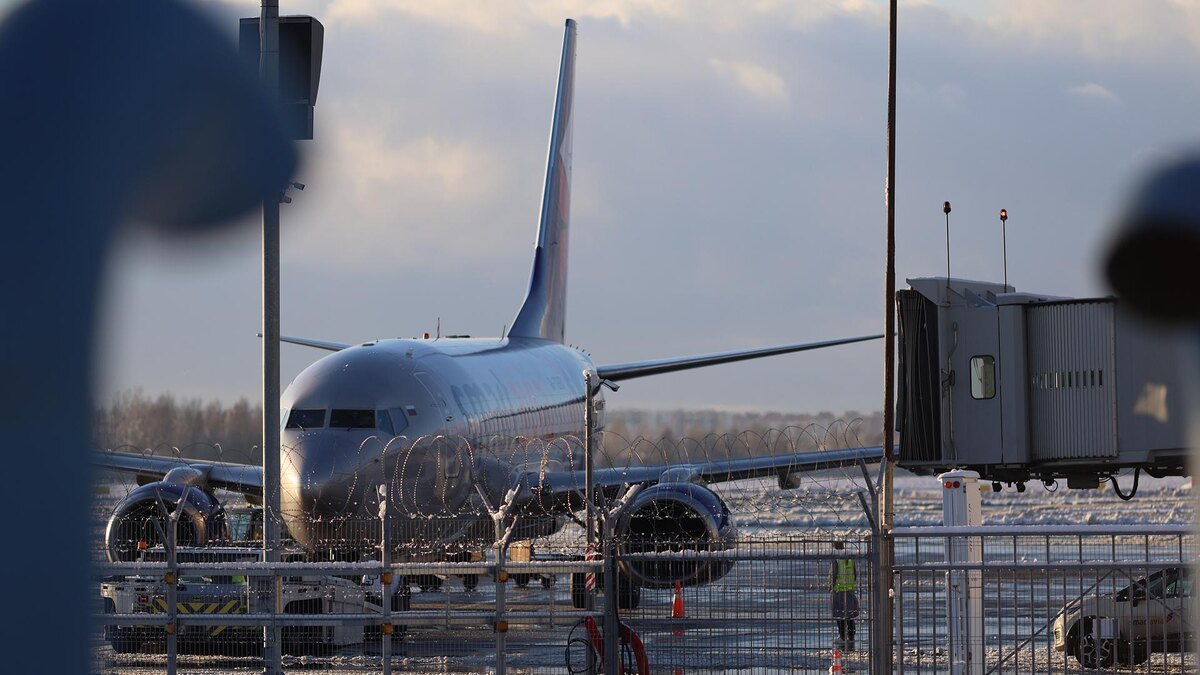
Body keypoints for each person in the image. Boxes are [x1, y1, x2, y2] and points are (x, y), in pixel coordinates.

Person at [830, 541, 858, 649]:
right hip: (850, 589)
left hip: (838, 589)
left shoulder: (835, 559)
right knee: (850, 615)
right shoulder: (850, 559)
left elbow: (833, 574)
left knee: (839, 614)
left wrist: (831, 586)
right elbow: (855, 574)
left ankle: (842, 637)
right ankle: (851, 637)